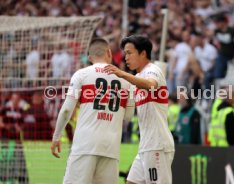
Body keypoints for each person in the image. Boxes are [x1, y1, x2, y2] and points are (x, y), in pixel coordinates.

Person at [51, 38, 135, 184]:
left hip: (85, 145)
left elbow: (66, 111)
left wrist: (56, 136)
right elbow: (128, 117)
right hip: (111, 148)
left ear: (89, 58)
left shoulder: (81, 75)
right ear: (109, 53)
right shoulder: (127, 81)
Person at [104, 35, 175, 184]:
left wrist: (122, 73)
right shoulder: (137, 77)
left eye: (129, 53)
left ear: (143, 53)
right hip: (145, 146)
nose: (126, 58)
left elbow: (150, 85)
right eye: (125, 53)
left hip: (157, 144)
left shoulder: (152, 70)